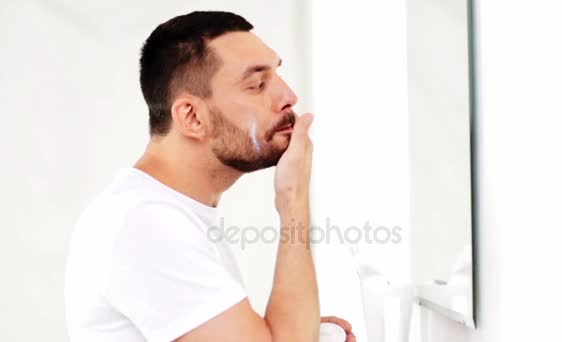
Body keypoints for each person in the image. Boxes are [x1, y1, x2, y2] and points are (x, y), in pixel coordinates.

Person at [64, 10, 356, 342]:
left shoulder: (166, 212)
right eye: (258, 84)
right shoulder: (145, 222)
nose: (288, 96)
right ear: (192, 116)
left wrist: (295, 326)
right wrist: (294, 201)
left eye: (277, 76)